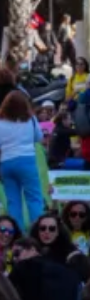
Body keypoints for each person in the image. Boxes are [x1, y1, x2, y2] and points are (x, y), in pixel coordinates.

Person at [0, 90, 43, 226]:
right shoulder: (31, 120)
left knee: (13, 201)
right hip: (27, 160)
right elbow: (39, 137)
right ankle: (37, 231)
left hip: (6, 162)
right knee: (34, 198)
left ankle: (15, 235)